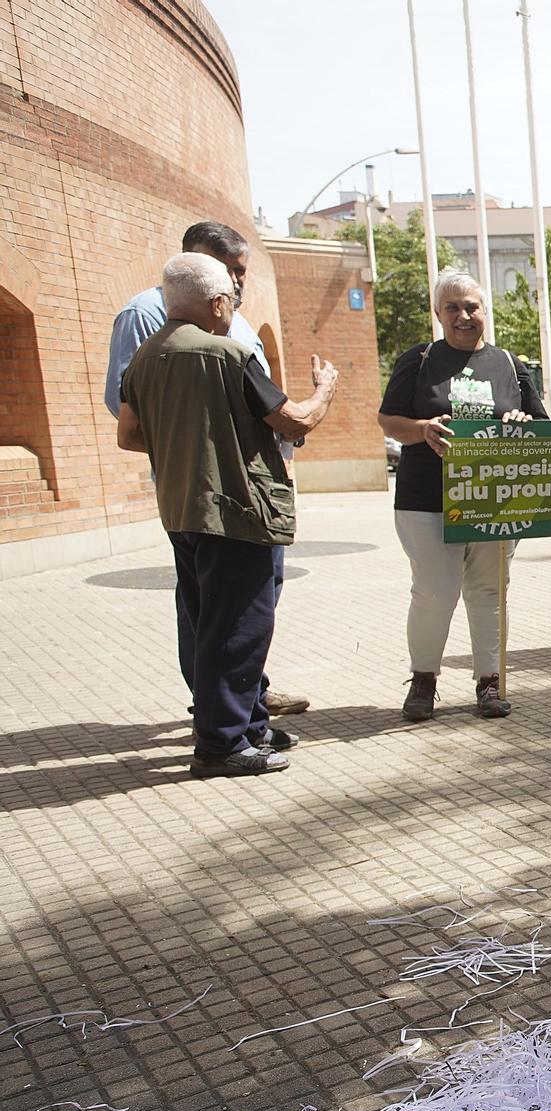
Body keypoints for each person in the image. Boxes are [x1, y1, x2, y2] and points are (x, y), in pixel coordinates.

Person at [116, 253, 338, 777]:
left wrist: (184, 442)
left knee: (207, 622)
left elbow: (128, 435)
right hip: (235, 510)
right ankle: (221, 745)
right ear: (218, 303)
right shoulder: (229, 355)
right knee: (239, 628)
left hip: (182, 509)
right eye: (231, 301)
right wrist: (326, 387)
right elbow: (295, 420)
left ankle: (248, 726)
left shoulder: (144, 359)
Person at [104, 220, 309, 717]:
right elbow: (128, 406)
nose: (237, 283)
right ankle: (218, 712)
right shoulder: (146, 314)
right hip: (205, 489)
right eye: (230, 272)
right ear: (196, 264)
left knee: (253, 600)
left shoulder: (231, 318)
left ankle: (244, 697)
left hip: (257, 485)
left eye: (242, 273)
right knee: (213, 603)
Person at [378, 273, 549, 722]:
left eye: (471, 306)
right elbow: (388, 420)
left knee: (490, 593)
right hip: (426, 500)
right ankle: (423, 679)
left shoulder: (511, 365)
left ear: (485, 312)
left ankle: (490, 682)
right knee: (434, 593)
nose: (463, 316)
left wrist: (518, 423)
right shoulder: (418, 360)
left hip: (493, 500)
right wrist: (421, 430)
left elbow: (541, 425)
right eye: (452, 307)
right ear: (438, 314)